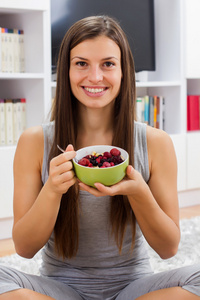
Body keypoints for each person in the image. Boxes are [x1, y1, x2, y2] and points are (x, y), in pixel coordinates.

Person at [0, 15, 199, 300]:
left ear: (123, 71)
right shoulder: (35, 142)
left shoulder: (156, 143)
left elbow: (168, 249)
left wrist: (139, 191)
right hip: (60, 290)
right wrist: (53, 190)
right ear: (66, 71)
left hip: (133, 289)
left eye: (108, 64)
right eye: (81, 63)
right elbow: (24, 248)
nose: (95, 77)